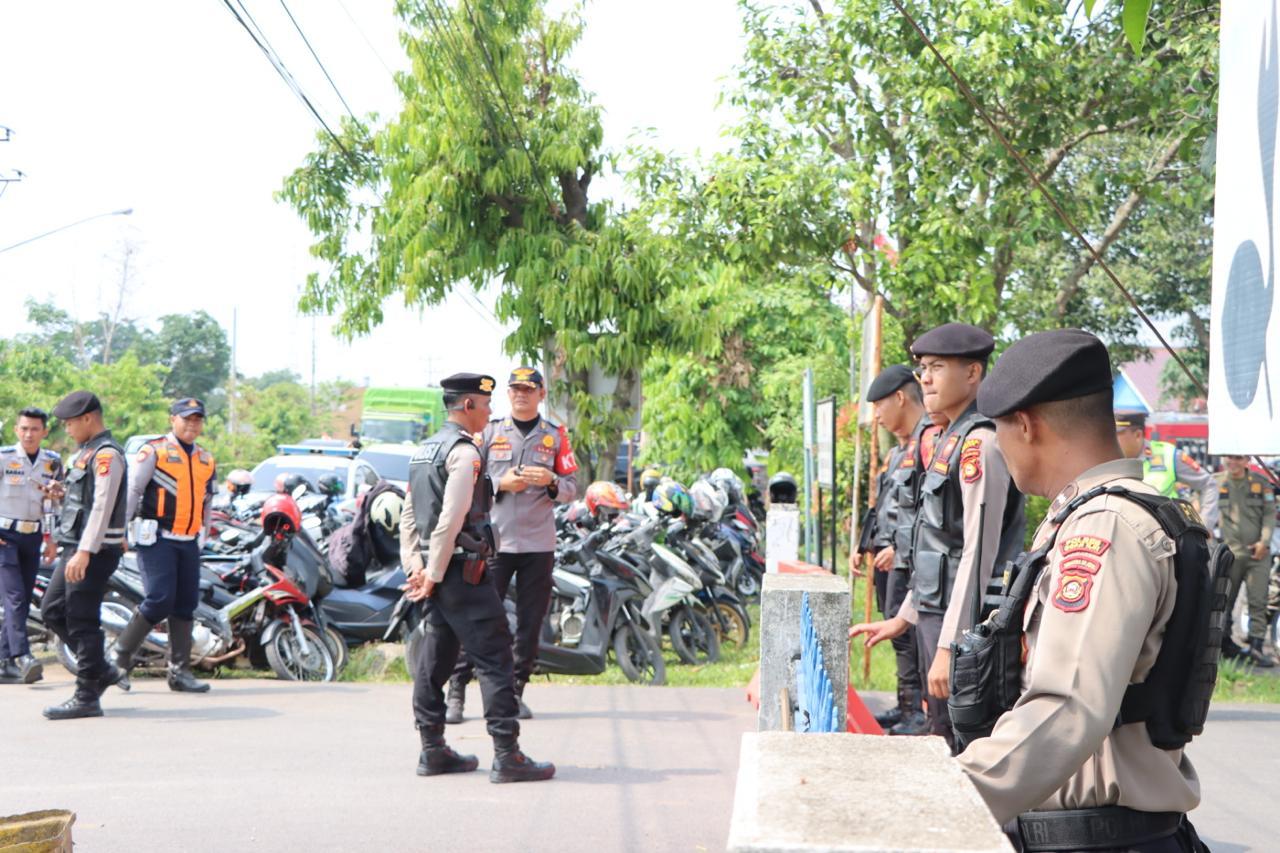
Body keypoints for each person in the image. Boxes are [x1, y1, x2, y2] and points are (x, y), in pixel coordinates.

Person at [938, 328, 1211, 852]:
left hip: (1101, 837)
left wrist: (948, 795)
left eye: (997, 430)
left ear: (1025, 424)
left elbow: (1067, 708)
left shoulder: (1104, 527)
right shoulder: (1109, 513)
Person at [851, 324, 1025, 751]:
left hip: (964, 628)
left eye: (937, 367)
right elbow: (935, 544)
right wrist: (904, 617)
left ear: (972, 374)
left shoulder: (979, 443)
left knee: (964, 745)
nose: (924, 378)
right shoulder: (948, 436)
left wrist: (951, 643)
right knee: (941, 735)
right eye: (923, 368)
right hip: (936, 617)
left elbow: (976, 553)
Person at [399, 373, 554, 783]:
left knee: (436, 661)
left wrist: (415, 566)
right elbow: (450, 518)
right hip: (461, 572)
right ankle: (508, 755)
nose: (490, 412)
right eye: (485, 405)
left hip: (436, 573)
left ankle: (433, 750)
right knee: (496, 657)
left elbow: (409, 516)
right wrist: (430, 574)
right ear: (468, 406)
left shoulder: (424, 450)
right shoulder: (465, 453)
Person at [447, 366, 578, 723]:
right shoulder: (489, 432)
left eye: (528, 389)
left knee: (530, 624)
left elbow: (572, 487)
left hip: (538, 542)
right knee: (478, 617)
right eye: (515, 389)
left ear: (541, 394)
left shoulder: (555, 436)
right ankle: (456, 690)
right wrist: (501, 483)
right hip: (496, 542)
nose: (521, 394)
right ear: (508, 394)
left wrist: (551, 480)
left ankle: (515, 692)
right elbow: (470, 479)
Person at [113, 398, 218, 692]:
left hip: (188, 541)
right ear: (173, 419)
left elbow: (208, 501)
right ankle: (119, 659)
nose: (192, 424)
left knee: (185, 604)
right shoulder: (154, 451)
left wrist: (204, 534)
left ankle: (179, 671)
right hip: (156, 538)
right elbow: (133, 490)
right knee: (159, 599)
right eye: (186, 418)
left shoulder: (206, 459)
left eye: (197, 419)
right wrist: (120, 529)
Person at [40, 391, 129, 720]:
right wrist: (61, 494)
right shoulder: (86, 453)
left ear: (88, 419)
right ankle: (101, 669)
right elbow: (87, 501)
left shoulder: (107, 455)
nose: (67, 429)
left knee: (81, 618)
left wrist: (85, 552)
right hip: (76, 547)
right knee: (52, 610)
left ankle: (87, 694)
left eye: (70, 423)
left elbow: (103, 507)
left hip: (93, 550)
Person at [860, 365, 932, 736]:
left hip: (910, 562)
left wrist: (901, 552)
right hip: (890, 559)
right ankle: (906, 705)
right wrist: (865, 545)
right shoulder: (898, 451)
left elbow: (927, 514)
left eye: (880, 406)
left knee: (909, 636)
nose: (877, 417)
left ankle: (918, 712)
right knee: (899, 636)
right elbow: (885, 504)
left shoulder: (929, 441)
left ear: (900, 397)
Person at [0, 407, 63, 685]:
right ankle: (23, 656)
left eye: (34, 429)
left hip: (33, 535)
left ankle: (3, 662)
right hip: (5, 535)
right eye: (24, 428)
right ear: (16, 430)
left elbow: (52, 504)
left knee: (24, 598)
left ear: (44, 432)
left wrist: (51, 539)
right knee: (13, 597)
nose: (28, 434)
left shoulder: (52, 462)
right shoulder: (4, 457)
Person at [1216, 455, 1276, 667]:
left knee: (1258, 602)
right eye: (1229, 458)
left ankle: (1256, 647)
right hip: (1230, 555)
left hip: (1257, 555)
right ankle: (1223, 644)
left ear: (1247, 460)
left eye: (1238, 458)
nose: (1233, 462)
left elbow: (1270, 514)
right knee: (1223, 602)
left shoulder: (1261, 484)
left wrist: (1264, 541)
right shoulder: (1216, 483)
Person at [1115, 412, 1219, 530]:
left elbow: (1208, 484)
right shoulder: (1109, 460)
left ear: (1138, 435)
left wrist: (1205, 524)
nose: (1111, 438)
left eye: (1117, 434)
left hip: (1167, 537)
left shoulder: (1167, 454)